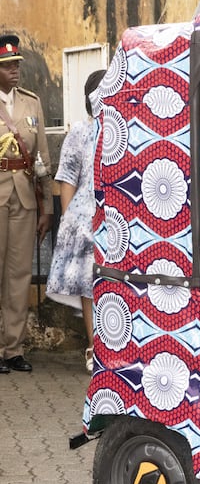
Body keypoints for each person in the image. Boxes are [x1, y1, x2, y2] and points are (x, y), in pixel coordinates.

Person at [0, 34, 54, 374]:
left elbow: (43, 158)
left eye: (17, 64)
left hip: (23, 195)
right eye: (7, 66)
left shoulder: (31, 102)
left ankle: (12, 349)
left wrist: (47, 205)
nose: (15, 70)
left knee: (19, 276)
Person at [46, 69, 105, 374]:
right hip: (86, 221)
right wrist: (70, 221)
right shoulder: (80, 133)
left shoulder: (128, 130)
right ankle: (94, 347)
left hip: (120, 217)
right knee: (89, 285)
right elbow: (67, 179)